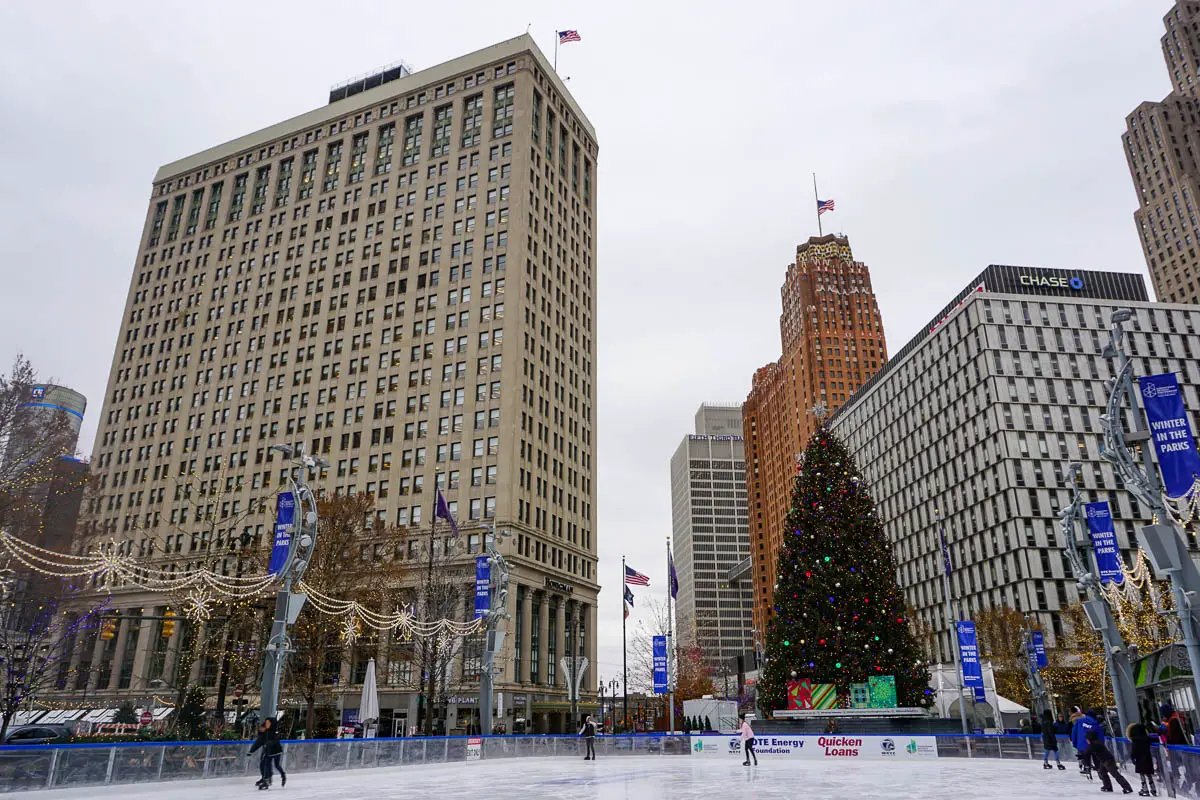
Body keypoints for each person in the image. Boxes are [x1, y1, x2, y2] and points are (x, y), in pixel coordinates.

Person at [1086, 729, 1133, 794]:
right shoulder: (1095, 743)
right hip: (1103, 760)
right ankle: (1107, 786)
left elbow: (1088, 751)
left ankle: (1127, 788)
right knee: (1102, 772)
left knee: (1115, 774)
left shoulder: (1095, 744)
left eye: (1087, 739)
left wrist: (1082, 755)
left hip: (1108, 760)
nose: (1086, 741)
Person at [248, 718, 286, 790]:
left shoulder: (275, 733)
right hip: (268, 751)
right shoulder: (265, 733)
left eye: (268, 723)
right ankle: (266, 780)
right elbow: (258, 742)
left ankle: (283, 775)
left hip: (276, 751)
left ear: (272, 724)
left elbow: (275, 740)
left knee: (276, 765)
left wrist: (268, 744)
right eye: (266, 723)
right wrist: (251, 751)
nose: (267, 724)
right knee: (265, 764)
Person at [1071, 707, 1103, 779]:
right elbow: (1100, 735)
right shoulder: (1096, 723)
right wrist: (1101, 745)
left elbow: (1074, 732)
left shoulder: (1079, 721)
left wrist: (1075, 743)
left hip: (1082, 745)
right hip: (1095, 745)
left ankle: (1087, 768)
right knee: (1096, 759)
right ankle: (1100, 772)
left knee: (1085, 757)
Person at [1127, 722, 1157, 797]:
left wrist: (1133, 757)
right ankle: (1153, 788)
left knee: (1142, 774)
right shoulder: (1147, 739)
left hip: (1139, 759)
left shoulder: (1135, 740)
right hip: (1148, 758)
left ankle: (1145, 789)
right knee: (1149, 773)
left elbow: (1134, 750)